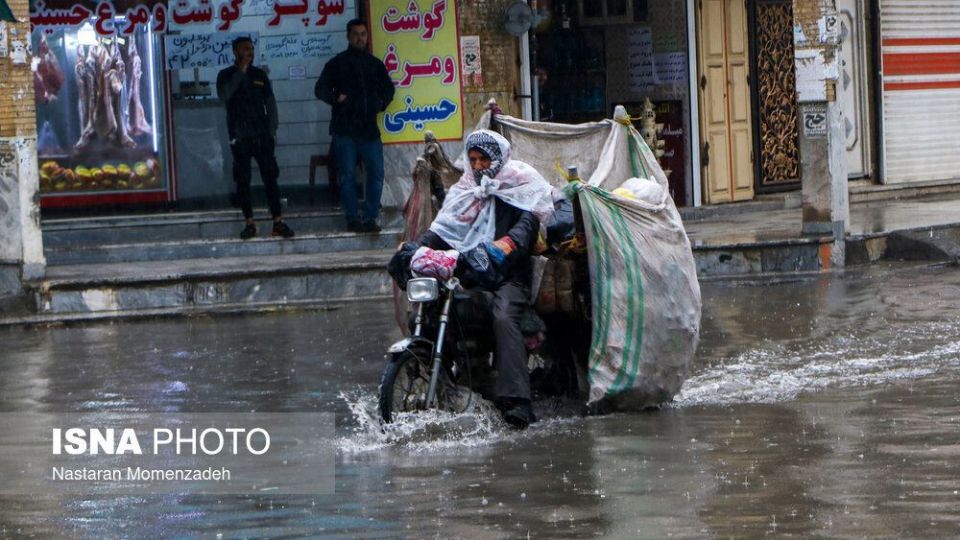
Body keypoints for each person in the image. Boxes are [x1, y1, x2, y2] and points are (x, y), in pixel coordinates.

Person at [407, 130, 555, 429]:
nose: (476, 166)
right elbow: (442, 231)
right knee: (427, 309)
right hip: (469, 274)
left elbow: (525, 230)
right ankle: (447, 378)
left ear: (497, 159)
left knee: (503, 317)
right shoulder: (464, 192)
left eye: (483, 159)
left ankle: (518, 402)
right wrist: (416, 248)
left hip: (508, 278)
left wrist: (502, 248)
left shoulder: (520, 188)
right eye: (472, 159)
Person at [315, 18, 395, 233]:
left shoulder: (375, 64)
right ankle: (352, 218)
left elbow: (389, 89)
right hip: (345, 131)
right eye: (356, 34)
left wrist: (380, 103)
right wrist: (335, 98)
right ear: (348, 37)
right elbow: (320, 89)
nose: (360, 38)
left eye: (363, 34)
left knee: (376, 175)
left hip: (369, 130)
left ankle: (370, 218)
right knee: (348, 176)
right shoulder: (337, 63)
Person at [216, 36, 295, 240]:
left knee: (270, 178)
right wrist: (241, 71)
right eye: (244, 49)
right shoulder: (225, 75)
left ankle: (277, 221)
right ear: (235, 52)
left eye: (251, 49)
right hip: (240, 137)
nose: (249, 53)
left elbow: (271, 104)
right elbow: (225, 96)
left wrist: (272, 131)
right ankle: (249, 222)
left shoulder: (259, 75)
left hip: (262, 136)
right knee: (243, 180)